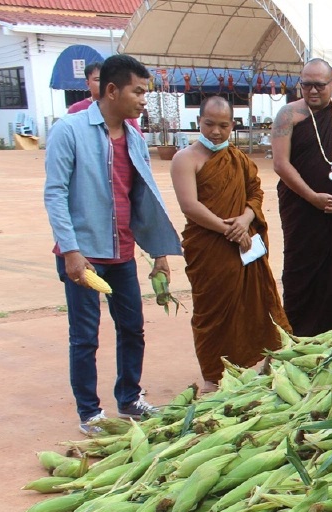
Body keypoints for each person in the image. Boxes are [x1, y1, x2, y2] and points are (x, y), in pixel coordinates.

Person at [44, 54, 181, 435]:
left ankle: (130, 398)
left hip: (121, 254)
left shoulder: (135, 138)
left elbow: (144, 198)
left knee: (132, 328)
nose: (143, 100)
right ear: (111, 90)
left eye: (145, 93)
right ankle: (90, 413)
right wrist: (70, 251)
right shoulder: (68, 131)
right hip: (83, 256)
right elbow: (55, 194)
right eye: (138, 92)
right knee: (85, 336)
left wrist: (159, 254)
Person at [170, 95, 291, 393]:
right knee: (212, 311)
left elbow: (256, 195)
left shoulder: (240, 160)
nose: (215, 132)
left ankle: (263, 362)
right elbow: (190, 206)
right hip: (209, 248)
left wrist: (246, 220)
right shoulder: (185, 159)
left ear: (232, 125)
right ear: (199, 122)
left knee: (258, 303)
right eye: (209, 124)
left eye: (223, 126)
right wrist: (229, 228)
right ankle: (213, 376)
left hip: (243, 243)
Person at [270, 58, 332, 336]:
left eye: (320, 85)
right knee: (300, 275)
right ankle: (299, 340)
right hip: (302, 214)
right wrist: (312, 197)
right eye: (307, 85)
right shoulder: (287, 116)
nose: (313, 91)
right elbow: (281, 164)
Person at [68, 61, 141, 131]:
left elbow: (138, 140)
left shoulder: (122, 107)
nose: (104, 84)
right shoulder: (75, 110)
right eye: (98, 80)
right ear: (88, 83)